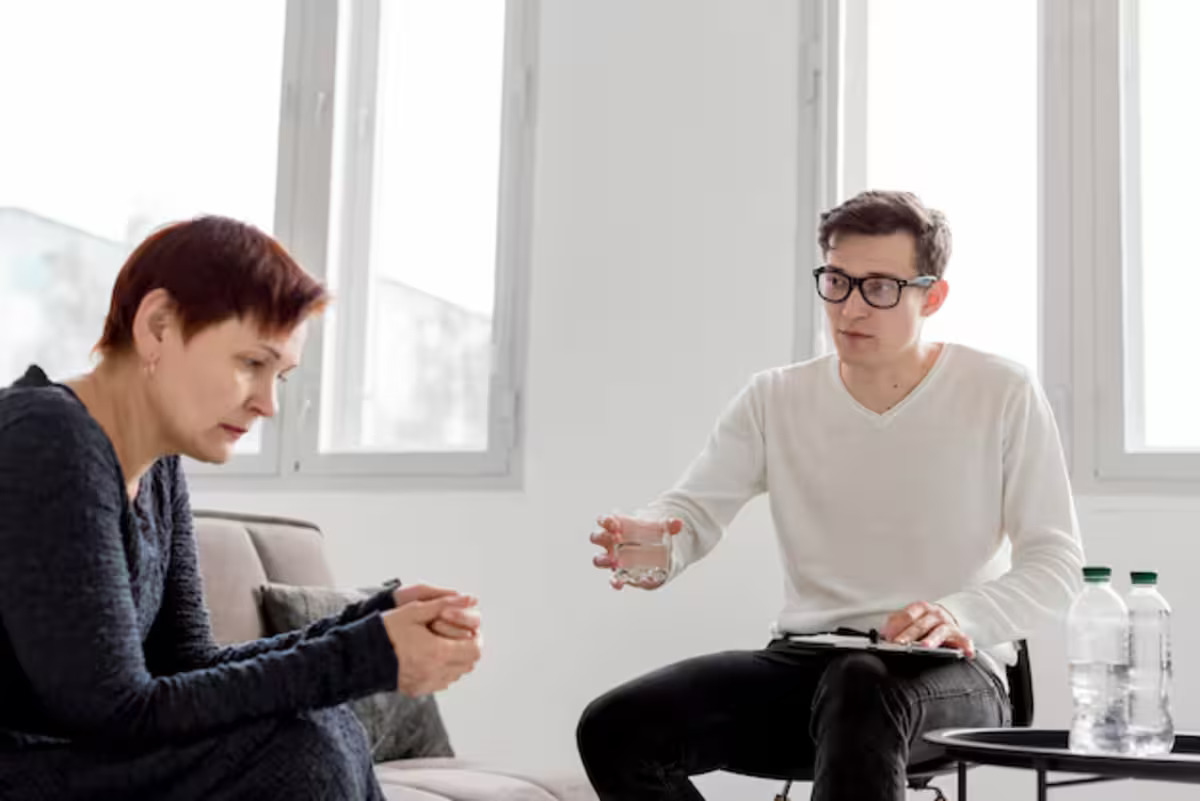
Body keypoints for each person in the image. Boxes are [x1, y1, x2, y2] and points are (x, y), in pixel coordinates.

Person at [577, 190, 1085, 801]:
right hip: (809, 665)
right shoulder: (775, 398)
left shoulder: (1000, 391)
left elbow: (1056, 566)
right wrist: (653, 543)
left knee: (862, 685)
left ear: (933, 295)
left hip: (954, 674)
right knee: (616, 728)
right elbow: (690, 513)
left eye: (880, 288)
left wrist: (957, 614)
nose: (850, 309)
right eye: (838, 282)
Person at [0, 216, 483, 801]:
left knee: (320, 727)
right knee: (302, 749)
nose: (269, 404)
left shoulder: (156, 467)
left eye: (280, 375)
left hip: (76, 760)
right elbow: (117, 710)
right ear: (158, 326)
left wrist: (367, 621)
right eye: (252, 363)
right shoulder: (47, 439)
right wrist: (363, 656)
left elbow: (188, 666)